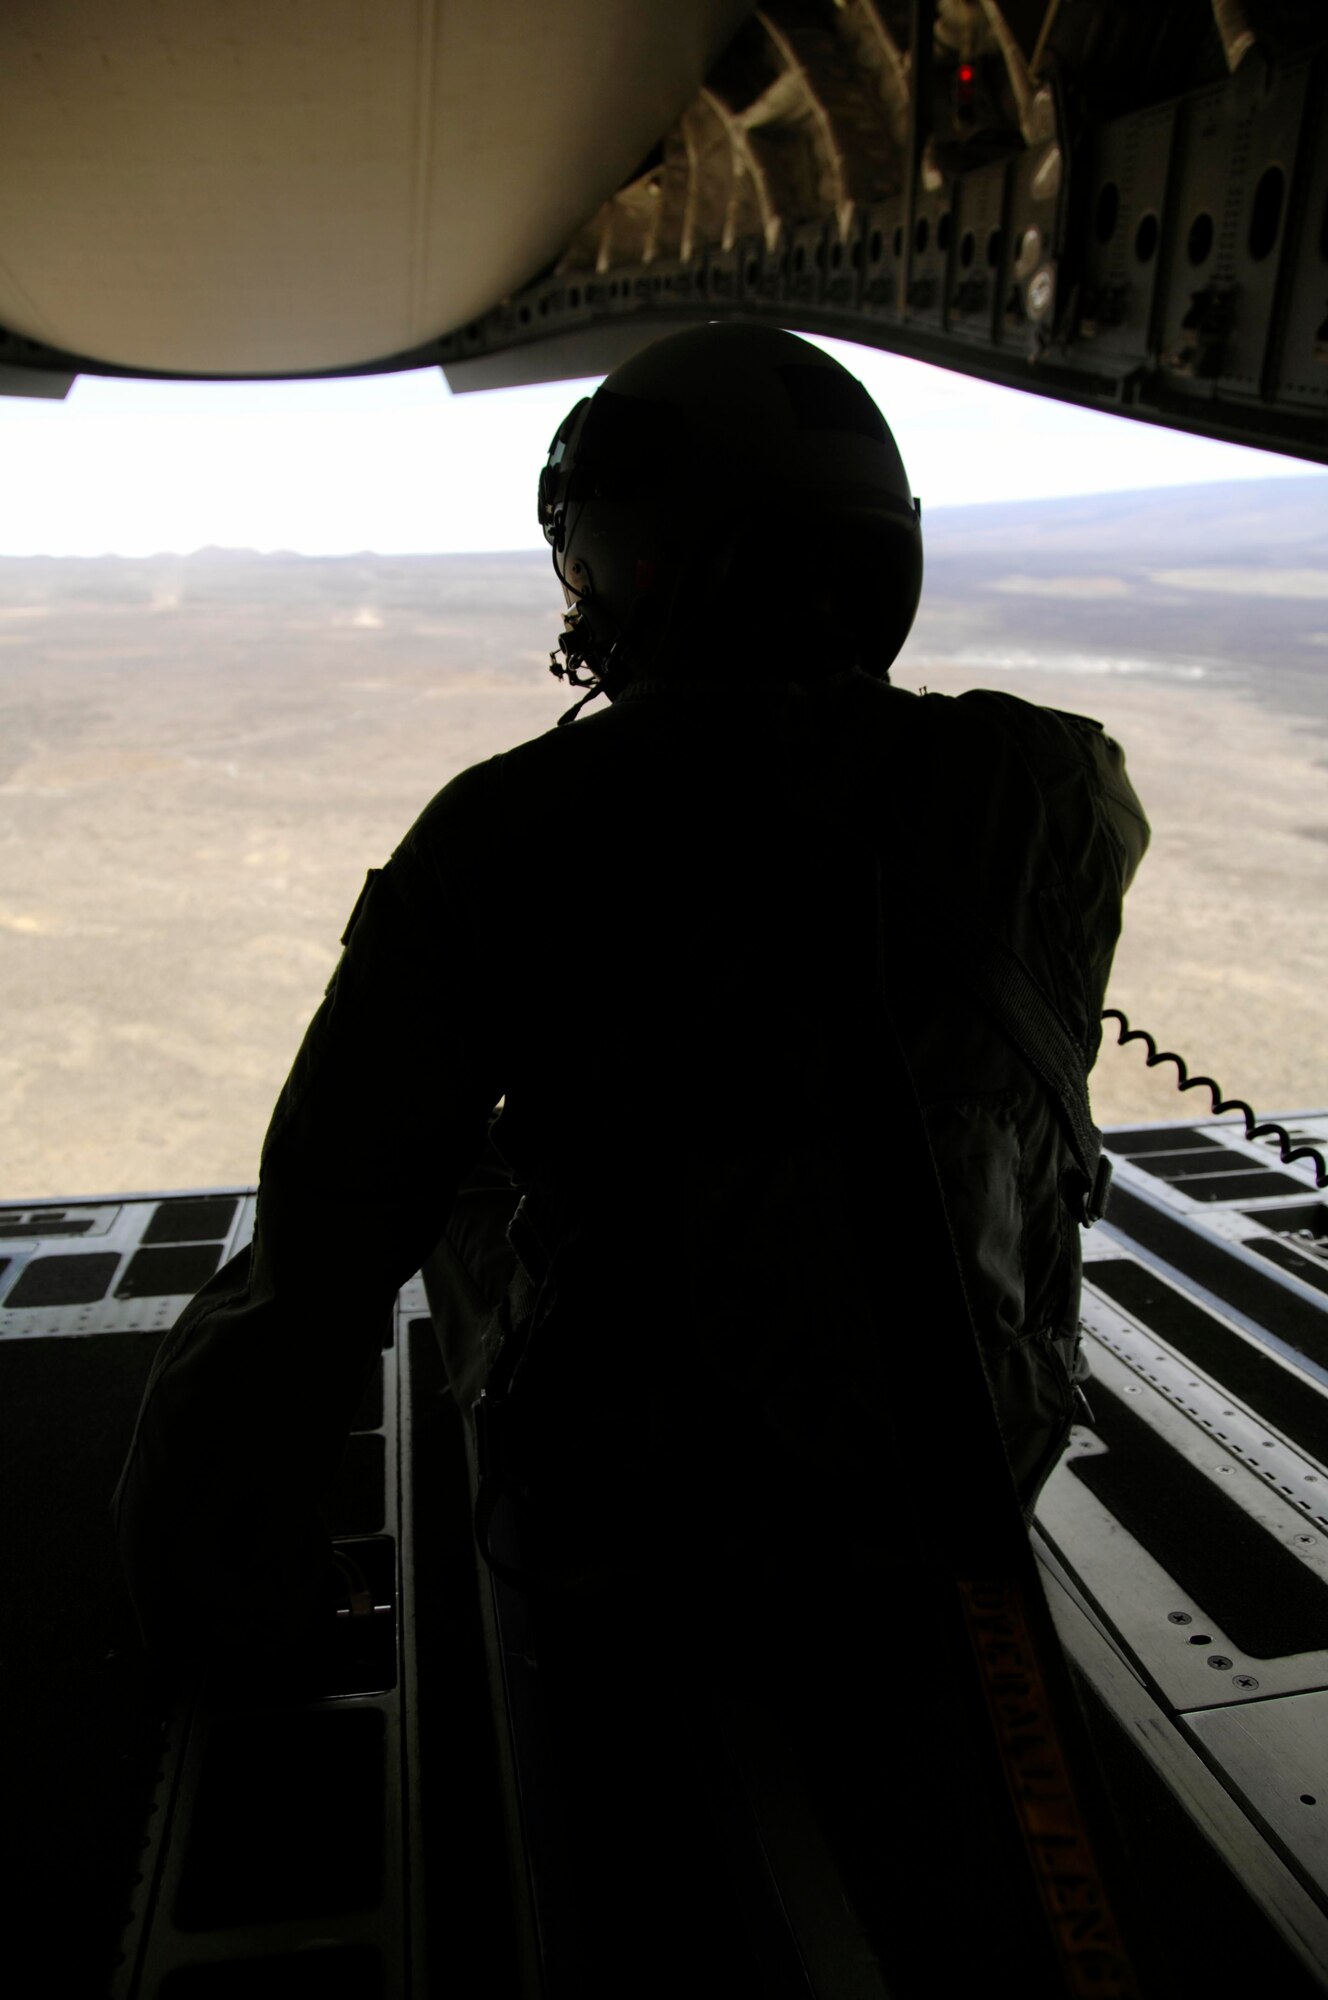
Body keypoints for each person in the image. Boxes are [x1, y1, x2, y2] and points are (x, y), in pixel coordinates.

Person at [111, 323, 1148, 1670]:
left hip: (656, 1522)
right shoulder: (1065, 784)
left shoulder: (513, 828)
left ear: (625, 559)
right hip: (977, 1459)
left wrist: (204, 1574)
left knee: (432, 1197)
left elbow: (324, 1255)